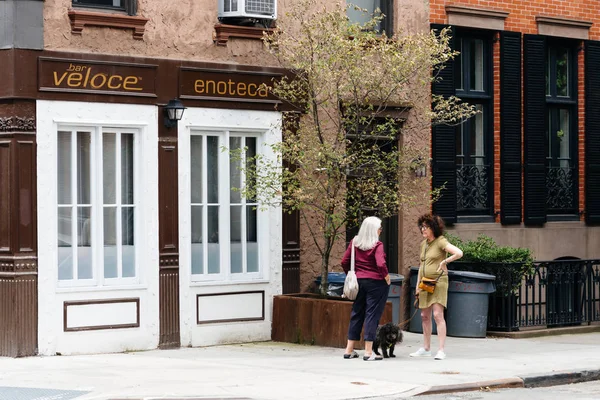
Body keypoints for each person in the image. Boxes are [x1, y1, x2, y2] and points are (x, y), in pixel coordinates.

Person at [410, 213, 463, 360]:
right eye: (422, 227)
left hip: (439, 281)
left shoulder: (441, 241)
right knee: (424, 315)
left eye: (426, 227)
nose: (423, 230)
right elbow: (421, 265)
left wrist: (445, 262)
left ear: (433, 227)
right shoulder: (423, 244)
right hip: (425, 282)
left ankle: (441, 350)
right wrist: (417, 285)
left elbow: (459, 253)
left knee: (437, 315)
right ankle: (426, 348)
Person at [341, 216, 391, 361]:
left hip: (359, 282)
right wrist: (386, 277)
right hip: (376, 283)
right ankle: (368, 352)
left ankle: (349, 350)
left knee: (357, 313)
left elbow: (344, 261)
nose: (381, 231)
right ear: (374, 230)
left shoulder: (355, 242)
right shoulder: (377, 245)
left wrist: (352, 275)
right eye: (379, 228)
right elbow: (381, 264)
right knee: (372, 314)